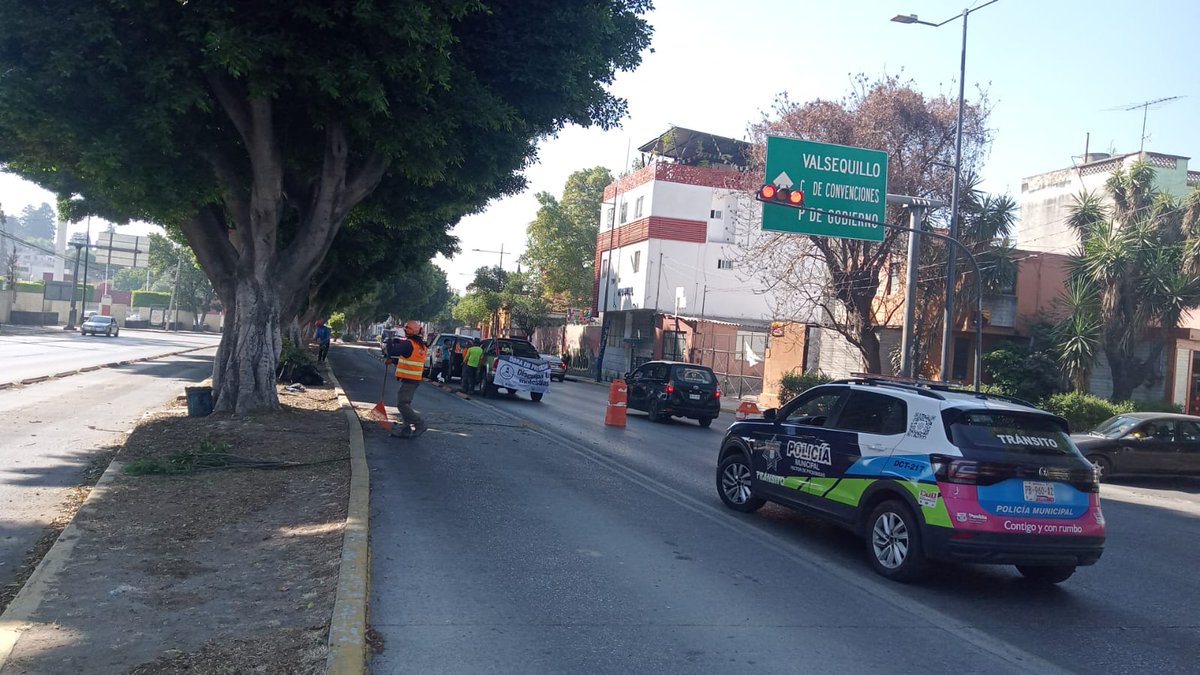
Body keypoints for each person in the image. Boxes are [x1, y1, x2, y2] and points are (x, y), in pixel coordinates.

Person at [390, 320, 429, 439]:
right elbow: (408, 357)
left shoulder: (409, 343)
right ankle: (405, 430)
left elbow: (393, 351)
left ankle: (419, 424)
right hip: (414, 378)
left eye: (407, 328)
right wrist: (393, 360)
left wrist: (390, 341)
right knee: (405, 403)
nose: (405, 330)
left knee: (402, 404)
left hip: (410, 379)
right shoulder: (420, 345)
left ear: (410, 331)